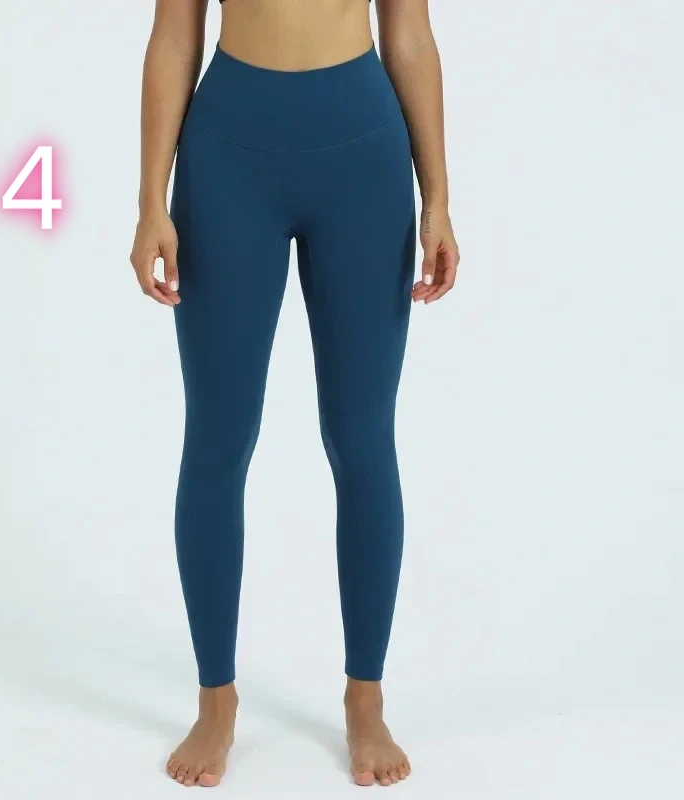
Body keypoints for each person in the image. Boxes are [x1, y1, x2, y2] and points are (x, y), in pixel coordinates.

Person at [130, 0, 460, 787]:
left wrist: (439, 198)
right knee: (218, 438)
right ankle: (215, 700)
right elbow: (173, 37)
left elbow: (410, 35)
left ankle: (365, 699)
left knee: (362, 437)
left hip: (364, 157)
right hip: (227, 158)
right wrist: (150, 201)